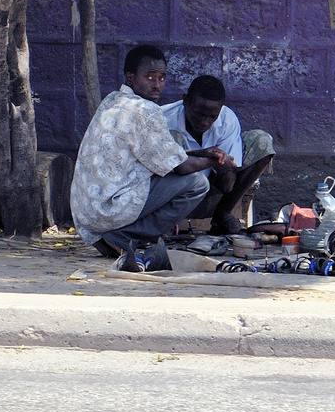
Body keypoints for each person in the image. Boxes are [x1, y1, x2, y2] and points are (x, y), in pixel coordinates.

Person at [71, 44, 231, 270]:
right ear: (130, 77)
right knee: (197, 184)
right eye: (150, 77)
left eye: (162, 78)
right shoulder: (145, 110)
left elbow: (161, 154)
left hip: (88, 213)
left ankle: (117, 236)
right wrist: (216, 161)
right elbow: (181, 168)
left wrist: (203, 153)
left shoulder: (113, 100)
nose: (157, 85)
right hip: (108, 208)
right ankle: (123, 236)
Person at [161, 74, 277, 236]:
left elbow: (227, 185)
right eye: (199, 114)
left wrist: (224, 167)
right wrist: (210, 159)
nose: (205, 122)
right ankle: (165, 221)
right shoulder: (162, 119)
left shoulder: (226, 120)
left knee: (262, 141)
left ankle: (222, 215)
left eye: (211, 117)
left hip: (211, 196)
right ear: (186, 101)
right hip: (172, 197)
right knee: (174, 140)